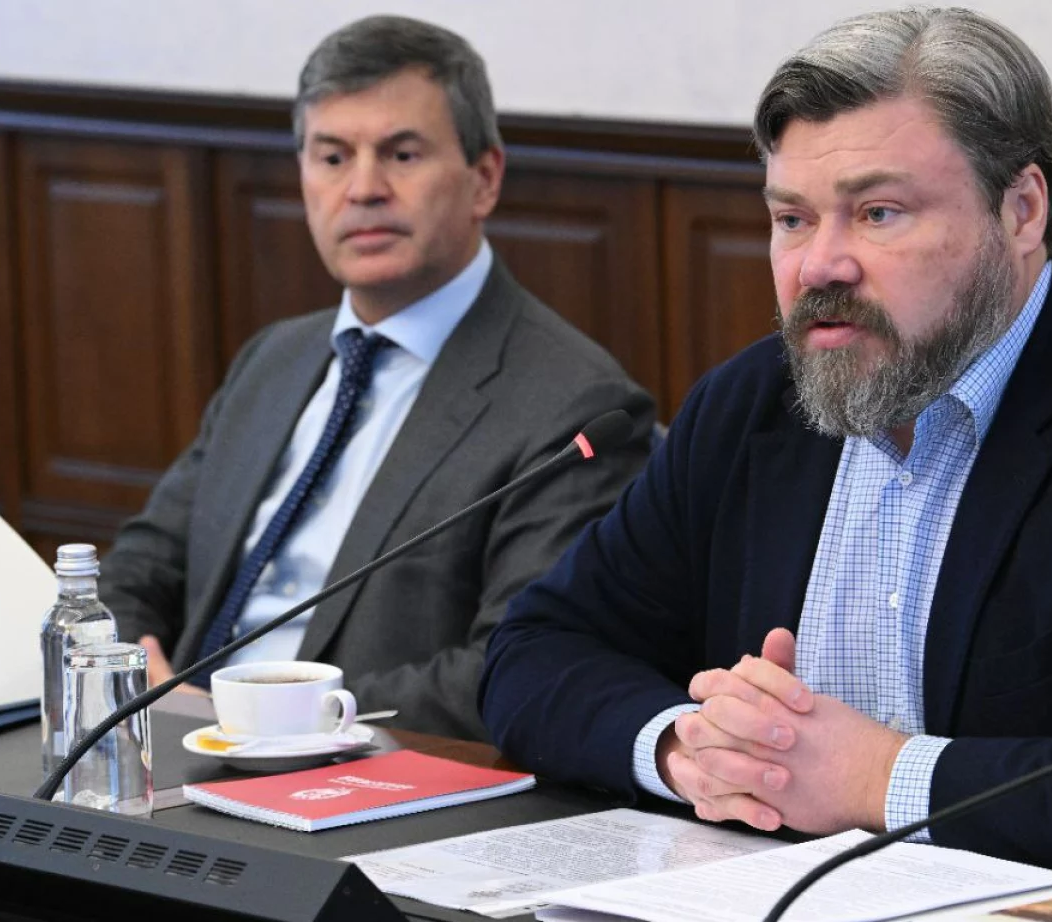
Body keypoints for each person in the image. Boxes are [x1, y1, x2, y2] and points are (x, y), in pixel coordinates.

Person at [481, 6, 1052, 886]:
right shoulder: (751, 405)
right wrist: (692, 750)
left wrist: (877, 779)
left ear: (1022, 210)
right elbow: (537, 650)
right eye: (792, 219)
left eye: (877, 213)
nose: (820, 266)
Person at [100, 15, 654, 741]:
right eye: (333, 157)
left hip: (357, 769)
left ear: (484, 178)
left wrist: (265, 718)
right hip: (174, 744)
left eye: (402, 154)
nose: (363, 189)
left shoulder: (572, 404)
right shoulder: (274, 359)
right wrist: (125, 664)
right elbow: (142, 563)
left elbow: (514, 663)